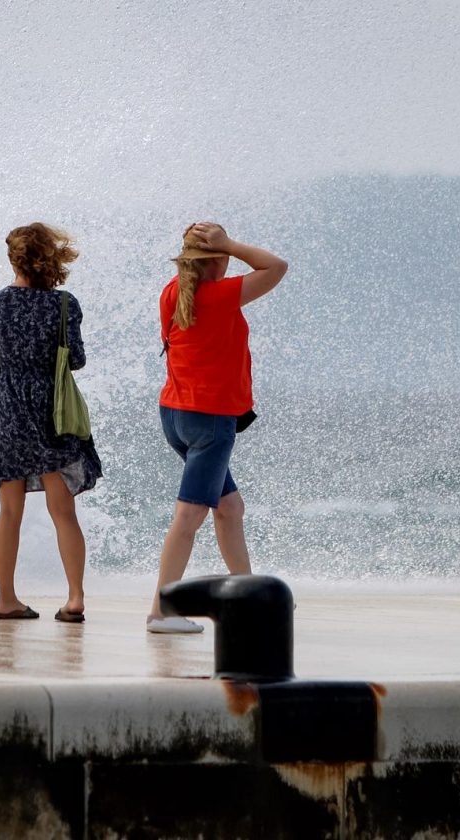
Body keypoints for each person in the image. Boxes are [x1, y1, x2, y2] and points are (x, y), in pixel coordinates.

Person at [147, 222, 288, 633]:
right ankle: (162, 610)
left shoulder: (174, 291)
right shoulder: (220, 296)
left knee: (229, 507)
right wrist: (232, 244)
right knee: (190, 515)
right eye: (224, 254)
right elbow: (276, 267)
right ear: (220, 258)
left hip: (175, 414)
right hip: (209, 420)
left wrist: (220, 249)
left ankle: (248, 596)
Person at [0, 222, 102, 623]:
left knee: (9, 512)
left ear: (13, 258)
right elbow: (77, 359)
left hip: (6, 411)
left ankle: (6, 599)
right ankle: (75, 598)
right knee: (62, 510)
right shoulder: (63, 304)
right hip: (50, 410)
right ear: (49, 256)